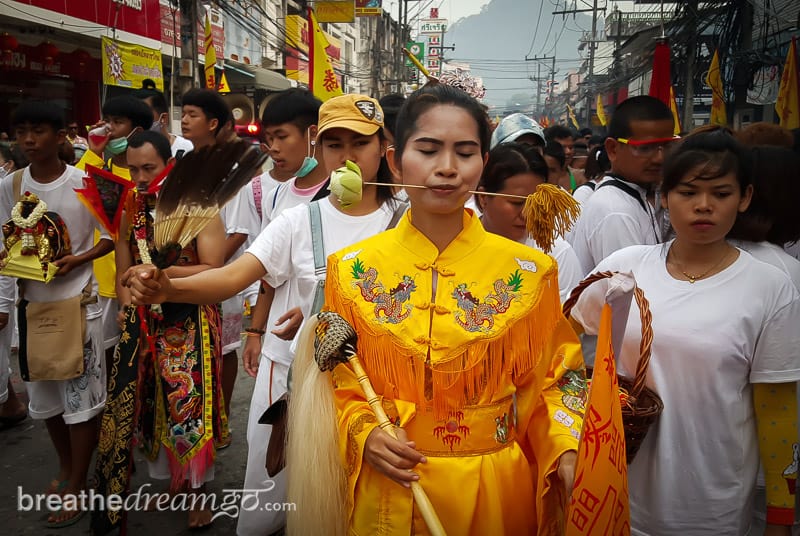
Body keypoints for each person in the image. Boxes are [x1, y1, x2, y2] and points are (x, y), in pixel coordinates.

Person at [283, 84, 585, 535]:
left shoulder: (531, 272)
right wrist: (366, 434)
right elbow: (340, 379)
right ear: (395, 160)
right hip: (392, 483)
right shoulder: (350, 270)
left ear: (483, 163)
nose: (446, 169)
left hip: (495, 489)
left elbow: (558, 379)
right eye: (427, 150)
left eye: (465, 152)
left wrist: (569, 451)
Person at [120, 94, 402, 535]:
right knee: (272, 493)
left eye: (359, 143)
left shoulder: (404, 222)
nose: (346, 156)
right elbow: (233, 277)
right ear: (318, 149)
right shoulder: (296, 221)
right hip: (291, 375)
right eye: (334, 144)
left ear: (382, 150)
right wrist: (169, 285)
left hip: (374, 384)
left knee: (355, 499)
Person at [570, 130, 800, 535]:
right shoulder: (627, 267)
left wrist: (780, 515)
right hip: (614, 492)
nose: (704, 206)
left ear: (744, 198)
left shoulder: (770, 287)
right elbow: (561, 334)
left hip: (713, 505)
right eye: (688, 192)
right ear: (664, 196)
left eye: (721, 193)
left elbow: (777, 410)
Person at [102, 130, 227, 530]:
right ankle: (171, 481)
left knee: (187, 401)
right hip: (145, 320)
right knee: (152, 402)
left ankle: (197, 494)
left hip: (188, 316)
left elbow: (214, 267)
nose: (139, 177)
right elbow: (123, 252)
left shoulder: (197, 204)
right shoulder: (133, 204)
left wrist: (163, 275)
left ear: (169, 164)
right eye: (133, 168)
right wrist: (126, 301)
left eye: (148, 168)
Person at [1, 101, 113, 527]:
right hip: (34, 307)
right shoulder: (10, 186)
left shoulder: (85, 182)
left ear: (60, 135)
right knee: (46, 401)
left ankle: (79, 482)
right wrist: (5, 301)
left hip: (79, 304)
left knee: (80, 401)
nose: (29, 140)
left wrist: (77, 259)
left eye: (39, 131)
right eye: (23, 131)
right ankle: (68, 468)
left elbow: (108, 236)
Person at [76, 95, 153, 361]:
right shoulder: (98, 168)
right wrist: (94, 151)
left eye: (117, 122)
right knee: (102, 357)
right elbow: (73, 196)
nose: (108, 128)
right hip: (99, 281)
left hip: (135, 283)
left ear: (137, 132)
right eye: (106, 121)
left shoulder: (145, 179)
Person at [569, 95, 676, 273]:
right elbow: (633, 292)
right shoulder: (615, 210)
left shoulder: (642, 193)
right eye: (645, 148)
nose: (660, 158)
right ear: (612, 149)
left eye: (666, 146)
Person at [475, 142, 582, 302]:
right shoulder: (455, 244)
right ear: (483, 197)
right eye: (516, 203)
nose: (527, 214)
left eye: (536, 202)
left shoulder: (555, 254)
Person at [133, 86, 194, 157]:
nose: (138, 121)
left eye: (144, 115)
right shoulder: (131, 152)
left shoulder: (188, 150)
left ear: (163, 118)